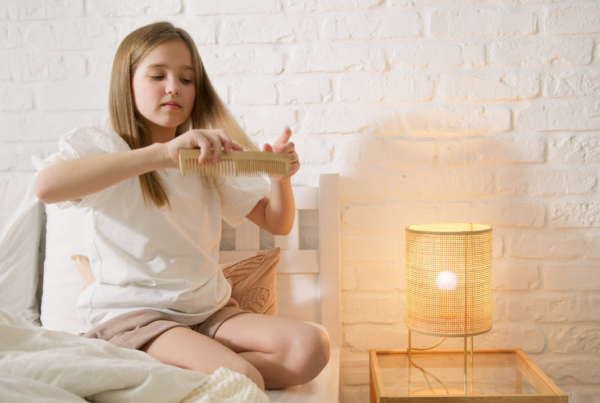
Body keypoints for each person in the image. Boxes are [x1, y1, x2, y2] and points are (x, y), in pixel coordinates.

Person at [34, 21, 330, 391]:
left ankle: (158, 376)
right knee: (242, 378)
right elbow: (46, 187)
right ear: (127, 84)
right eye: (158, 75)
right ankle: (175, 368)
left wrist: (280, 178)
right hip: (136, 318)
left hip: (207, 312)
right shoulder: (110, 150)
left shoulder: (208, 159)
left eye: (186, 80)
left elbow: (279, 222)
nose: (173, 87)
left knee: (310, 347)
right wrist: (161, 155)